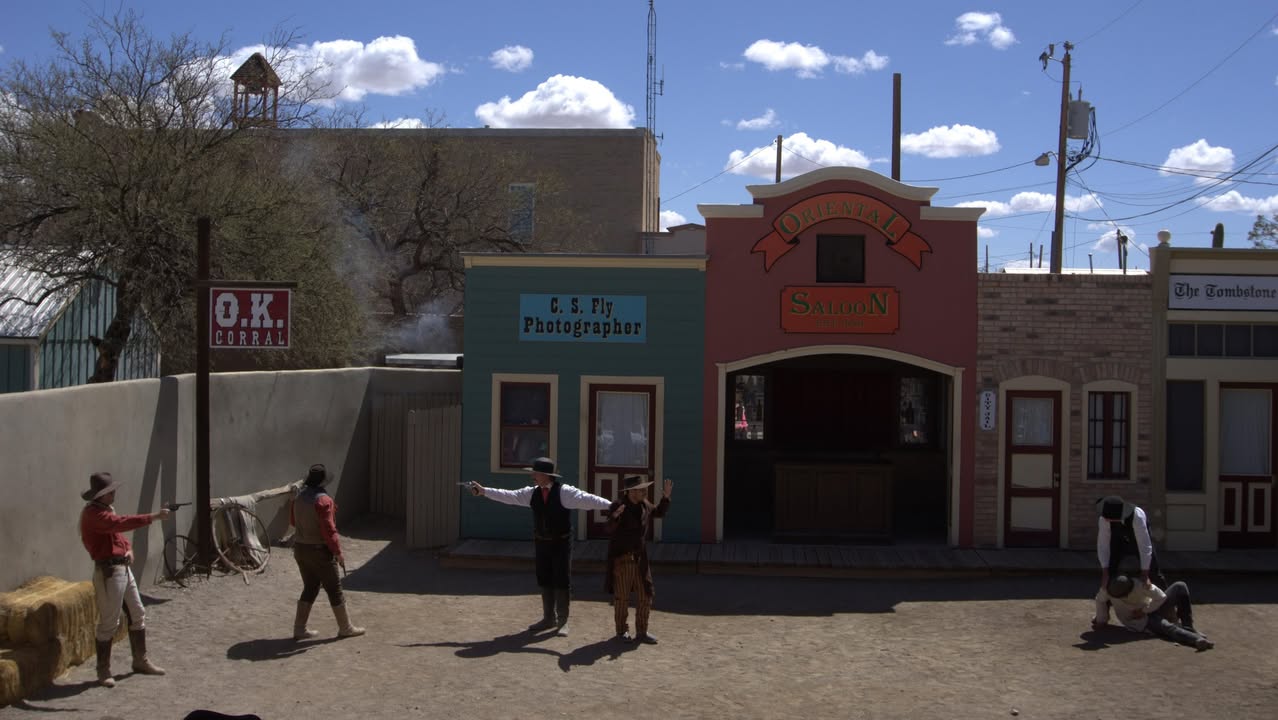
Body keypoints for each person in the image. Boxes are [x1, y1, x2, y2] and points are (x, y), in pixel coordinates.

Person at [468, 456, 611, 636]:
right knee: (544, 577)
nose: (533, 476)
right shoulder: (532, 493)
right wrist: (484, 491)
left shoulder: (564, 492)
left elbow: (588, 500)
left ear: (546, 475)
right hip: (541, 542)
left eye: (536, 473)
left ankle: (563, 621)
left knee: (561, 578)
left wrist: (611, 506)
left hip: (561, 541)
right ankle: (548, 618)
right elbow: (510, 496)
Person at [78, 472, 171, 688]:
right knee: (110, 622)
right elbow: (120, 524)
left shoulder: (104, 511)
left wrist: (128, 549)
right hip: (109, 572)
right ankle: (103, 670)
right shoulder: (94, 515)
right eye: (111, 492)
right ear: (102, 495)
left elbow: (118, 535)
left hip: (121, 568)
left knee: (137, 613)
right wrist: (154, 516)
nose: (114, 495)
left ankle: (140, 660)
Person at [290, 463, 365, 640]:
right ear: (323, 481)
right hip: (319, 550)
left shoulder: (299, 497)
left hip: (300, 548)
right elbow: (329, 531)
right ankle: (345, 628)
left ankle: (299, 629)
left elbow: (293, 522)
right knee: (334, 589)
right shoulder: (324, 501)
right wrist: (338, 552)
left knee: (310, 586)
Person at [605, 476, 672, 644]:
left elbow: (658, 513)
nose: (644, 492)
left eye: (644, 489)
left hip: (640, 559)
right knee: (622, 598)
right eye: (641, 489)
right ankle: (621, 632)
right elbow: (608, 528)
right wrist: (614, 517)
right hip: (623, 559)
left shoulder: (644, 505)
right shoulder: (619, 506)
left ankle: (642, 632)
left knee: (646, 595)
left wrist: (666, 497)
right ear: (631, 492)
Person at [1092, 574, 1213, 650]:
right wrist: (1101, 619)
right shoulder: (1108, 590)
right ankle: (1196, 639)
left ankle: (1188, 626)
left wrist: (1144, 610)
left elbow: (1161, 597)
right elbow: (1100, 600)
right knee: (1168, 627)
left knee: (1180, 586)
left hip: (1152, 607)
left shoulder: (1139, 585)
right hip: (1141, 621)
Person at [1096, 495, 1168, 592]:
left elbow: (1145, 546)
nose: (1106, 520)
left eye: (1109, 519)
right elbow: (1103, 545)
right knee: (1111, 571)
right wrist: (1105, 573)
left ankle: (1165, 601)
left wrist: (1145, 575)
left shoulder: (1137, 515)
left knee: (1153, 570)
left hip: (1138, 538)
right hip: (1117, 539)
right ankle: (1108, 601)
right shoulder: (1104, 519)